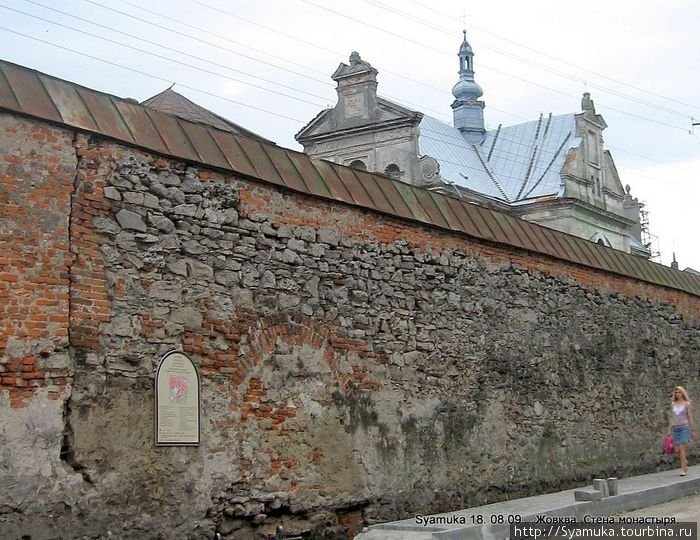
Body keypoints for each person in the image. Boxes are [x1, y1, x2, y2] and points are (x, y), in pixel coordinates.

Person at [667, 386, 697, 476]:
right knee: (676, 450)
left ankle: (683, 468)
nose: (678, 394)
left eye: (679, 392)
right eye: (676, 392)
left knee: (681, 447)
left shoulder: (687, 404)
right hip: (676, 428)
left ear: (682, 393)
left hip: (684, 427)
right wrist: (669, 429)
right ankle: (685, 461)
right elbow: (672, 418)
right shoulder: (673, 404)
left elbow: (690, 417)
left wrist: (693, 430)